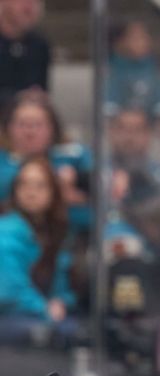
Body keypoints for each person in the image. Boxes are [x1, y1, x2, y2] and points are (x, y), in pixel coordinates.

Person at [0, 156, 77, 348]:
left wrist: (62, 301)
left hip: (38, 316)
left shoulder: (54, 232)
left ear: (53, 191)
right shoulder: (6, 231)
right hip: (11, 319)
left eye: (40, 185)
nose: (30, 192)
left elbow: (61, 287)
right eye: (24, 184)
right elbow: (8, 293)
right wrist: (45, 309)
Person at [0, 92, 92, 233]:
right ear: (8, 128)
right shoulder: (3, 164)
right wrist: (57, 191)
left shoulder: (74, 155)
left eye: (37, 124)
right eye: (22, 124)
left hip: (68, 240)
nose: (29, 132)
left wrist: (79, 195)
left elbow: (107, 185)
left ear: (53, 129)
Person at [105, 20, 160, 134]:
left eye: (143, 38)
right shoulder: (113, 72)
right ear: (123, 41)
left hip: (149, 129)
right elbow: (110, 101)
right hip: (121, 128)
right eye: (134, 38)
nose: (140, 43)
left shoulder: (157, 72)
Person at [0, 0, 49, 112]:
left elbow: (41, 88)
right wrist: (16, 97)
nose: (29, 7)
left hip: (25, 117)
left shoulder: (39, 44)